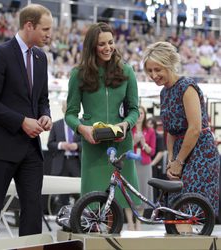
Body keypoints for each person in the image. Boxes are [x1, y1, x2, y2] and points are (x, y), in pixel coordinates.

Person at [0, 4, 53, 241]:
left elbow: (42, 98)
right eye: (45, 29)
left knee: (32, 211)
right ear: (29, 26)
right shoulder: (0, 54)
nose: (49, 34)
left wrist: (46, 114)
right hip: (1, 147)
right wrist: (21, 121)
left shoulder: (41, 58)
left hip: (31, 150)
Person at [65, 22, 141, 230]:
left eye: (111, 42)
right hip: (93, 146)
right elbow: (70, 115)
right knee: (94, 206)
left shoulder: (127, 71)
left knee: (118, 207)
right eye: (101, 44)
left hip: (121, 145)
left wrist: (126, 124)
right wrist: (82, 129)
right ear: (91, 47)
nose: (108, 48)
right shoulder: (78, 74)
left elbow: (135, 109)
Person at [142, 41, 220, 221]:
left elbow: (194, 129)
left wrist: (179, 161)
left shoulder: (187, 87)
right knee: (176, 209)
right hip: (180, 153)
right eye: (150, 71)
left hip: (201, 153)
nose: (154, 75)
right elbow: (169, 130)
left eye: (158, 69)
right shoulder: (164, 93)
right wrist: (171, 160)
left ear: (169, 65)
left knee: (188, 210)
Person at [47, 100, 81, 210]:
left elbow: (88, 143)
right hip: (62, 163)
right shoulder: (56, 125)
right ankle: (64, 223)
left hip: (77, 163)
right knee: (62, 196)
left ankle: (79, 221)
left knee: (80, 194)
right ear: (63, 109)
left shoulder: (82, 125)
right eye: (67, 108)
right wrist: (61, 145)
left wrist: (77, 146)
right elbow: (50, 144)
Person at [132, 106, 156, 230]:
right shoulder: (129, 129)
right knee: (130, 192)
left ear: (145, 115)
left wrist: (143, 144)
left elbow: (152, 152)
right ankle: (130, 223)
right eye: (137, 113)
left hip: (144, 165)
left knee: (142, 192)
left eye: (142, 113)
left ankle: (138, 223)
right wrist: (134, 141)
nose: (140, 115)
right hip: (131, 164)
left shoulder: (150, 131)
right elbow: (125, 149)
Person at [146, 117, 167, 200]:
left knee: (153, 186)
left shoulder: (158, 136)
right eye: (148, 123)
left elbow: (161, 152)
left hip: (154, 165)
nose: (149, 125)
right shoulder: (146, 135)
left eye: (151, 123)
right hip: (146, 164)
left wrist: (152, 164)